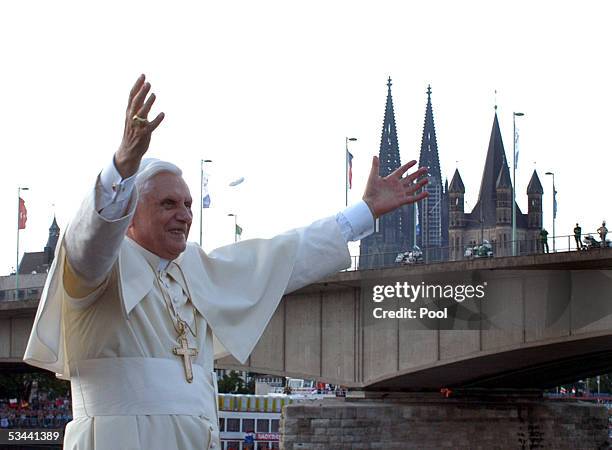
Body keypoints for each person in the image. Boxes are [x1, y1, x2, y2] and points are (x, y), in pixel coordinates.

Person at [23, 75, 429, 450]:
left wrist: (365, 211)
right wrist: (122, 167)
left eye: (187, 204)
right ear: (129, 213)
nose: (184, 214)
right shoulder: (97, 272)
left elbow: (288, 255)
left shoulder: (196, 271)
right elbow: (89, 239)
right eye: (168, 204)